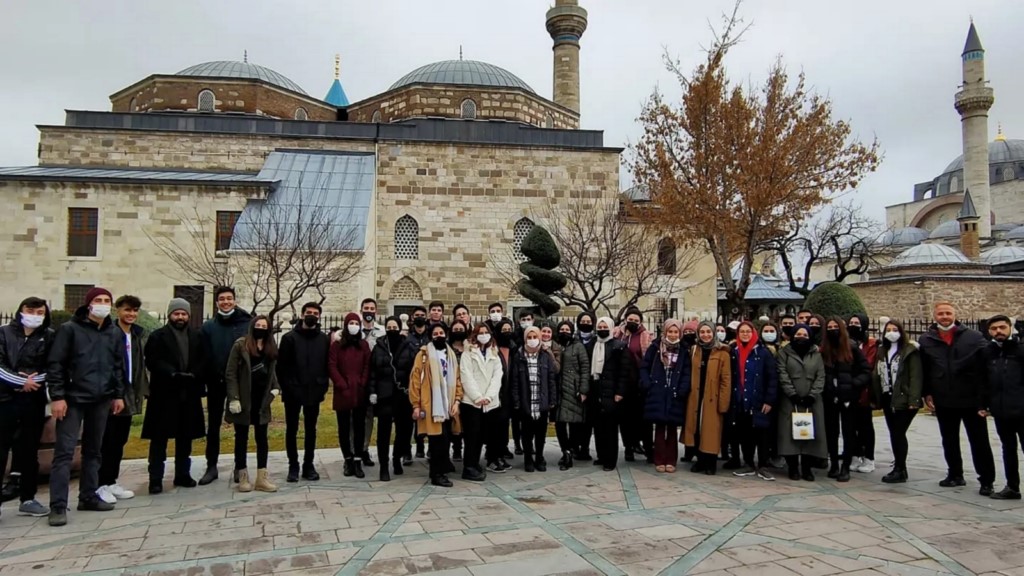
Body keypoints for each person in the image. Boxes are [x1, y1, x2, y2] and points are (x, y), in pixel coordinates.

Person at [46, 287, 126, 526]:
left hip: (101, 399)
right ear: (88, 304)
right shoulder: (70, 330)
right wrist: (57, 397)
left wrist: (118, 395)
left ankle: (88, 496)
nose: (103, 304)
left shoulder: (113, 332)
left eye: (107, 300)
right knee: (65, 453)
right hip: (73, 400)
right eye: (98, 300)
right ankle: (58, 506)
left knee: (94, 450)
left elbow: (117, 366)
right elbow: (56, 365)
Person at [919, 302, 995, 495]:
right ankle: (955, 474)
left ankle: (986, 480)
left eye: (948, 313)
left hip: (970, 398)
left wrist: (984, 398)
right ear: (935, 316)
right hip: (944, 397)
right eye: (941, 313)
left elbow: (985, 368)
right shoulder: (927, 339)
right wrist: (927, 393)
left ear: (955, 314)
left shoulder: (974, 337)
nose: (944, 316)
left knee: (979, 441)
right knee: (949, 439)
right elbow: (925, 369)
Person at [143, 298, 206, 494]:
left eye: (184, 314)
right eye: (176, 313)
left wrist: (194, 374)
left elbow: (205, 359)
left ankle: (182, 474)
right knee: (159, 440)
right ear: (170, 315)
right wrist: (172, 373)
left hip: (188, 394)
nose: (180, 317)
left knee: (185, 438)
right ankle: (155, 478)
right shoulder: (158, 336)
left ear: (188, 316)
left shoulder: (197, 336)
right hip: (164, 394)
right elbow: (153, 360)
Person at [0, 297, 54, 518]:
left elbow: (54, 365)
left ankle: (28, 498)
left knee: (30, 450)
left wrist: (33, 382)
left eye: (39, 311)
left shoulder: (49, 336)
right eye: (30, 310)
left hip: (33, 400)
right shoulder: (4, 333)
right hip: (5, 399)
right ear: (21, 310)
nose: (34, 314)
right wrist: (20, 381)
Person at [95, 295, 148, 504]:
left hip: (130, 394)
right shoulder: (109, 333)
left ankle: (110, 480)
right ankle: (98, 484)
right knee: (105, 441)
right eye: (127, 310)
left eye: (135, 311)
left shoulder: (137, 335)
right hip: (112, 395)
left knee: (119, 441)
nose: (131, 314)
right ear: (118, 310)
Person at [198, 286, 252, 485]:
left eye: (229, 298)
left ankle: (240, 466)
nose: (226, 302)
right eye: (222, 299)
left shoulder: (246, 324)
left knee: (241, 426)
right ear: (217, 302)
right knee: (213, 426)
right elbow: (203, 355)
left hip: (240, 384)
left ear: (235, 301)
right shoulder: (208, 327)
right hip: (216, 382)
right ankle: (211, 466)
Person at [225, 316, 280, 493]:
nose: (261, 328)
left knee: (262, 439)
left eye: (264, 326)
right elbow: (230, 373)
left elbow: (272, 372)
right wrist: (234, 398)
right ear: (252, 326)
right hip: (243, 399)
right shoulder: (240, 345)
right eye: (258, 325)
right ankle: (242, 477)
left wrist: (275, 388)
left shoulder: (270, 347)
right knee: (241, 438)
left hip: (261, 400)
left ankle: (261, 478)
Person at [277, 302, 329, 483]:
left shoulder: (323, 339)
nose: (312, 315)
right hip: (293, 392)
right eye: (309, 312)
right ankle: (293, 465)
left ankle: (309, 465)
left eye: (315, 313)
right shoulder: (289, 338)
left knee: (311, 430)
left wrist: (322, 386)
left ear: (319, 316)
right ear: (302, 314)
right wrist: (288, 387)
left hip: (314, 391)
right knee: (291, 429)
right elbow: (281, 367)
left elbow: (325, 365)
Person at [410, 324, 464, 487]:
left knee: (447, 438)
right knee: (436, 441)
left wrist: (457, 400)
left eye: (441, 333)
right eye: (435, 333)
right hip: (432, 404)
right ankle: (436, 474)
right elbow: (415, 379)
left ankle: (444, 466)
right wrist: (416, 405)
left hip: (448, 404)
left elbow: (457, 379)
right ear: (430, 335)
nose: (439, 335)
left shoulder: (451, 354)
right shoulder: (424, 354)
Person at [870, 320, 922, 484]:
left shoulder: (910, 351)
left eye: (895, 329)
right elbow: (877, 374)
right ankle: (900, 466)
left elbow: (916, 376)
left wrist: (913, 399)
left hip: (904, 397)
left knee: (899, 433)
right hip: (887, 396)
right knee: (894, 433)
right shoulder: (882, 351)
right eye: (889, 330)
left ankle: (900, 468)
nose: (892, 332)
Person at [820, 317, 870, 482]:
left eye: (835, 327)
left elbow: (865, 371)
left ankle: (845, 466)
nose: (832, 329)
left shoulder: (852, 348)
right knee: (831, 432)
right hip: (830, 397)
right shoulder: (824, 349)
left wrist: (853, 385)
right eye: (830, 327)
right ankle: (834, 464)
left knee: (848, 432)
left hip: (848, 396)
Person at [728, 321, 778, 480]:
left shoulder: (763, 352)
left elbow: (772, 378)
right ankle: (748, 463)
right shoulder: (734, 352)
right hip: (741, 399)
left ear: (753, 333)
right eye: (741, 331)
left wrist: (769, 400)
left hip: (759, 400)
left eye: (748, 331)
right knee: (744, 434)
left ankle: (763, 465)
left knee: (762, 434)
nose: (745, 334)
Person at [776, 324, 827, 482]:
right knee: (789, 433)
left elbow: (821, 375)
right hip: (790, 399)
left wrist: (812, 395)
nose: (801, 337)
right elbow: (782, 373)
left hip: (812, 400)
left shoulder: (816, 354)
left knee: (811, 433)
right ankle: (792, 467)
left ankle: (807, 468)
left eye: (805, 334)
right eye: (798, 334)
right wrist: (792, 394)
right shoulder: (784, 353)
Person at [640, 319, 689, 473]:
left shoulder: (683, 350)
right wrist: (648, 383)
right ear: (665, 332)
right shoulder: (655, 348)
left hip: (674, 392)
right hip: (658, 391)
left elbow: (687, 372)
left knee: (673, 427)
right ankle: (659, 459)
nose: (673, 335)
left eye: (676, 332)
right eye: (670, 332)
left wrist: (682, 389)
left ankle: (671, 460)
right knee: (660, 427)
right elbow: (644, 367)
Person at [683, 322, 732, 475]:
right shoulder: (694, 350)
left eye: (708, 332)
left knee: (711, 431)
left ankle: (710, 462)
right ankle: (700, 460)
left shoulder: (722, 352)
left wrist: (723, 402)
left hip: (712, 397)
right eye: (702, 332)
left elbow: (726, 379)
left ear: (713, 333)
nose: (705, 335)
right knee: (696, 428)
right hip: (695, 395)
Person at [582, 317, 629, 472]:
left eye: (605, 326)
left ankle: (610, 459)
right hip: (595, 388)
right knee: (598, 426)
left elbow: (624, 371)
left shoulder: (618, 346)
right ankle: (601, 456)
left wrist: (620, 392)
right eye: (599, 326)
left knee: (610, 427)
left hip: (611, 390)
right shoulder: (591, 345)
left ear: (610, 327)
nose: (602, 329)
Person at [985, 316, 1024, 500]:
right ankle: (1012, 487)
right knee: (1008, 449)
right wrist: (983, 404)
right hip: (1001, 411)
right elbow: (983, 380)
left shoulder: (1020, 349)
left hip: (1022, 409)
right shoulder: (988, 352)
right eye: (994, 328)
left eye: (1002, 327)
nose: (998, 331)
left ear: (1009, 328)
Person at [330, 312, 372, 479]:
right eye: (351, 322)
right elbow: (332, 365)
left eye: (356, 322)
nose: (353, 325)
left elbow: (368, 364)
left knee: (360, 426)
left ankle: (357, 459)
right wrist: (341, 383)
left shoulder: (363, 345)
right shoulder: (337, 345)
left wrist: (362, 381)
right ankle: (347, 458)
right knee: (344, 427)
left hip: (359, 391)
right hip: (343, 391)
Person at [511, 327, 558, 472]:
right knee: (526, 433)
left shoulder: (545, 356)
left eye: (535, 336)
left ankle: (539, 457)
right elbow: (515, 381)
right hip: (526, 402)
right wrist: (517, 401)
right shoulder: (519, 356)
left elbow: (551, 379)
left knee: (540, 433)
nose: (532, 340)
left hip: (541, 400)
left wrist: (552, 399)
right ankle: (528, 459)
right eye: (529, 337)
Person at [459, 323, 502, 481]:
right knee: (472, 436)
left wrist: (489, 396)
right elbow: (466, 376)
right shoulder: (468, 353)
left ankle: (476, 463)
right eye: (480, 333)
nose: (483, 335)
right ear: (475, 336)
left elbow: (497, 377)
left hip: (489, 403)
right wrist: (477, 397)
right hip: (472, 402)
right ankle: (468, 467)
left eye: (486, 332)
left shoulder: (494, 353)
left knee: (483, 435)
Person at [369, 316, 405, 482]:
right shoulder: (379, 347)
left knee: (403, 432)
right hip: (384, 395)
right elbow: (373, 372)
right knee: (383, 433)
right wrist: (373, 392)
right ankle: (384, 465)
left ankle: (397, 458)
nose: (392, 329)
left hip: (402, 395)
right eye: (389, 327)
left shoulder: (407, 345)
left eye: (394, 326)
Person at [616, 308, 653, 463]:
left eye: (636, 321)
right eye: (630, 319)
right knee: (626, 418)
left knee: (643, 417)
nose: (633, 322)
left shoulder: (646, 336)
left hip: (640, 380)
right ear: (625, 319)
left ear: (640, 322)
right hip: (624, 381)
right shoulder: (618, 334)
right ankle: (629, 448)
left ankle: (647, 447)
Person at [396, 306, 431, 463]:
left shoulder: (430, 337)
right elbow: (400, 361)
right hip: (411, 383)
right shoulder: (406, 338)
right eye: (417, 315)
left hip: (428, 384)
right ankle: (406, 451)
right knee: (408, 420)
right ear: (412, 318)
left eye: (422, 315)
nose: (420, 318)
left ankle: (424, 448)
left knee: (427, 417)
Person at [355, 298, 386, 468]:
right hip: (357, 378)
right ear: (361, 310)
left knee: (369, 416)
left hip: (374, 379)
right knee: (355, 417)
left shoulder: (381, 332)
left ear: (376, 311)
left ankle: (364, 448)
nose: (369, 311)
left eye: (372, 308)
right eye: (366, 308)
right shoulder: (354, 330)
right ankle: (354, 451)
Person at [847, 314, 877, 474]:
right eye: (851, 323)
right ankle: (855, 454)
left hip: (864, 391)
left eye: (857, 323)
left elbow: (869, 365)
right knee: (850, 426)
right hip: (848, 391)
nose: (853, 326)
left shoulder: (871, 344)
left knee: (865, 426)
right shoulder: (845, 342)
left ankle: (869, 458)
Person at [555, 320, 587, 471]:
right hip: (559, 389)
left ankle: (572, 449)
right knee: (559, 423)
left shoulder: (578, 346)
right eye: (562, 329)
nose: (564, 331)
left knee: (574, 423)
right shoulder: (556, 346)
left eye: (567, 329)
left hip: (573, 389)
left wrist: (583, 389)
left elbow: (585, 367)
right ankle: (565, 450)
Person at [487, 319, 516, 470]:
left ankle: (500, 455)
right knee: (494, 428)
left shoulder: (514, 348)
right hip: (495, 393)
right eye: (503, 329)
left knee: (504, 427)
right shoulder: (492, 349)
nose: (507, 332)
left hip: (508, 394)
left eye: (509, 329)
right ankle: (491, 458)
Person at [573, 312, 598, 461]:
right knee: (576, 418)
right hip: (575, 383)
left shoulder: (596, 341)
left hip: (592, 383)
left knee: (588, 420)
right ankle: (575, 446)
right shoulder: (574, 339)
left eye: (589, 321)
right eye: (583, 321)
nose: (586, 323)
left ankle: (585, 448)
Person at [448, 319, 470, 462]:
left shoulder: (469, 347)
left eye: (460, 329)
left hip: (468, 388)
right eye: (455, 329)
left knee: (467, 420)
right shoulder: (447, 348)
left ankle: (467, 448)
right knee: (454, 419)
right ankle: (456, 448)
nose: (458, 332)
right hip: (452, 387)